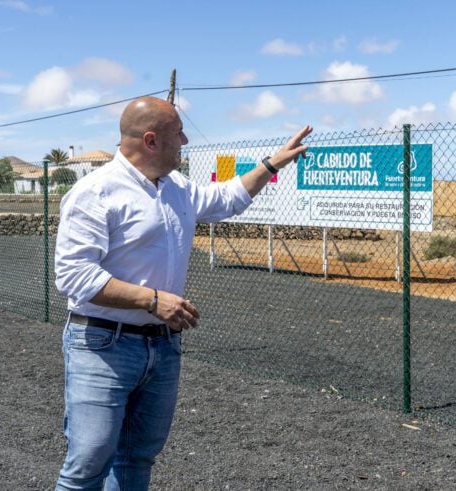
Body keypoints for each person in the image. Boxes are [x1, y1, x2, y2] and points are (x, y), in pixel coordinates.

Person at [53, 95, 311, 490]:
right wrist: (153, 300)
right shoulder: (96, 192)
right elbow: (73, 274)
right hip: (102, 344)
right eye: (178, 133)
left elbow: (228, 198)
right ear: (152, 141)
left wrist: (272, 163)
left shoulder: (176, 188)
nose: (186, 140)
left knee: (136, 459)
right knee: (88, 464)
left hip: (161, 346)